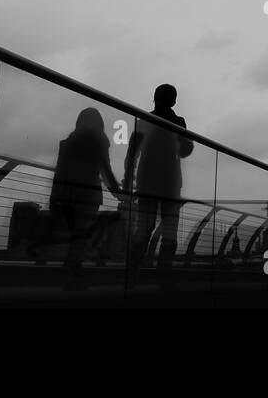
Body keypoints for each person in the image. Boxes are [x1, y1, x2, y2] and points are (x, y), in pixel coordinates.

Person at [124, 84, 194, 289]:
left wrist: (129, 178)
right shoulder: (178, 122)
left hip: (146, 181)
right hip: (171, 183)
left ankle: (131, 274)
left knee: (142, 230)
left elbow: (132, 153)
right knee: (170, 232)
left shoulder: (144, 119)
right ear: (173, 101)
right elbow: (185, 150)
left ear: (155, 98)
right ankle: (163, 276)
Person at [47, 107, 123, 290]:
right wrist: (118, 193)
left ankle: (70, 275)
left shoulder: (68, 143)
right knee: (81, 238)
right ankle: (72, 276)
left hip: (67, 195)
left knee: (75, 238)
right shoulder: (100, 142)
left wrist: (54, 197)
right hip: (89, 196)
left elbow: (59, 172)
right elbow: (106, 170)